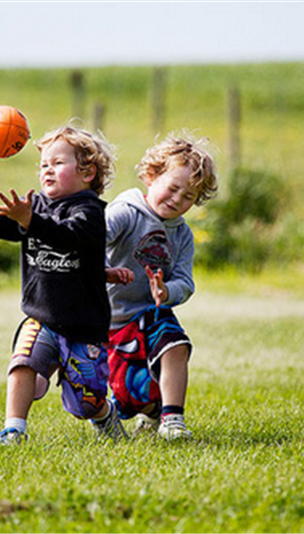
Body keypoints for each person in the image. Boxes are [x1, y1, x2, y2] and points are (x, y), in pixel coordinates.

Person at [0, 125, 127, 445]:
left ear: (88, 172)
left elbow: (68, 236)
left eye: (57, 163)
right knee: (21, 363)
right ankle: (14, 430)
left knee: (85, 404)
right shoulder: (34, 208)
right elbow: (2, 225)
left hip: (83, 325)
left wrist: (30, 221)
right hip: (41, 316)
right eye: (43, 164)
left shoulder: (90, 212)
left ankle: (104, 414)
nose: (47, 169)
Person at [104, 134, 218, 440]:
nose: (178, 200)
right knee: (131, 395)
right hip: (108, 319)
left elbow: (185, 282)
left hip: (150, 314)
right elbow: (93, 240)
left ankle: (172, 420)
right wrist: (105, 272)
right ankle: (150, 412)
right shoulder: (125, 211)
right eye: (173, 188)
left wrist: (167, 292)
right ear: (151, 176)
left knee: (175, 344)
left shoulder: (182, 235)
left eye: (189, 196)